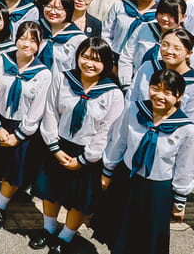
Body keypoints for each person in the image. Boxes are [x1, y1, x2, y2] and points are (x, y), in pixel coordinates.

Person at [34, 37, 126, 251]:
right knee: (52, 190)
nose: (89, 63)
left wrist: (84, 159)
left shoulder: (113, 94)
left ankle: (65, 237)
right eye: (84, 56)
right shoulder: (63, 79)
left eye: (96, 59)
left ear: (106, 63)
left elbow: (106, 132)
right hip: (59, 145)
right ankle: (48, 229)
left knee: (78, 200)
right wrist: (54, 147)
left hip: (86, 153)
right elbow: (50, 112)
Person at [95, 68, 194, 254]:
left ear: (179, 96)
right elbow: (119, 141)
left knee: (147, 241)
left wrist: (180, 201)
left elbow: (185, 168)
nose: (159, 96)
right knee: (119, 232)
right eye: (155, 88)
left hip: (157, 190)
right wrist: (108, 171)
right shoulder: (134, 109)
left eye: (168, 92)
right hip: (127, 179)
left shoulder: (187, 130)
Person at [0, 22, 52, 230]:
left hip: (21, 128)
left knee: (14, 170)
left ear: (40, 44)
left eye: (32, 40)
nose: (26, 44)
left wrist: (19, 135)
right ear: (15, 39)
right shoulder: (2, 61)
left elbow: (37, 109)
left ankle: (0, 206)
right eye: (22, 38)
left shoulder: (43, 73)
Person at [107, 0, 164, 84]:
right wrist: (110, 61)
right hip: (112, 59)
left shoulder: (161, 16)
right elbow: (106, 33)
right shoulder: (120, 6)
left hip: (141, 64)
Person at [38, 0, 89, 75]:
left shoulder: (79, 39)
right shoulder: (37, 29)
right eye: (49, 6)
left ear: (68, 11)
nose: (52, 12)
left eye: (58, 9)